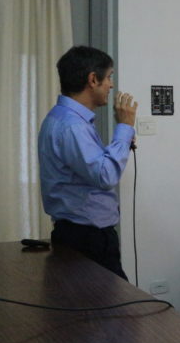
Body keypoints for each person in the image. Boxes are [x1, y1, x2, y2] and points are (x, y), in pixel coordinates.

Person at [38, 46, 137, 280]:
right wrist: (124, 127)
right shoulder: (73, 125)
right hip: (87, 238)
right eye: (109, 77)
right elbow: (105, 176)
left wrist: (122, 138)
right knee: (112, 309)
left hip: (78, 234)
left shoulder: (63, 118)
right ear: (93, 79)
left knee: (94, 307)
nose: (111, 85)